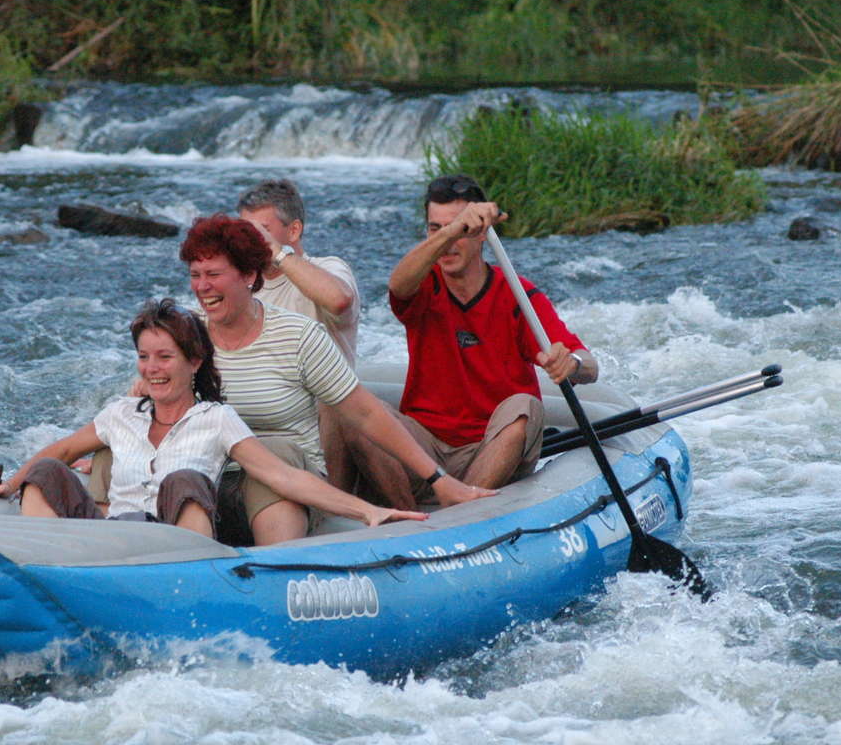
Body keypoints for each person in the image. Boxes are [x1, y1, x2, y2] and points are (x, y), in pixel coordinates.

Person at [0, 298, 426, 536]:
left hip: (174, 548)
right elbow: (63, 450)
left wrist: (367, 511)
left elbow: (282, 476)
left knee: (184, 480)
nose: (152, 369)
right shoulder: (121, 413)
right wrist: (6, 486)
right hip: (108, 545)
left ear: (193, 362)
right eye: (144, 357)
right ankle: (48, 572)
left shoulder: (217, 418)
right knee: (47, 472)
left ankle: (188, 581)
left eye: (165, 357)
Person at [180, 214, 493, 545]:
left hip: (293, 483)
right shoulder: (184, 336)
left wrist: (438, 479)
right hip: (213, 481)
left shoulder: (297, 335)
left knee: (275, 449)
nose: (202, 287)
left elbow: (365, 413)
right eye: (195, 275)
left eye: (213, 275)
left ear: (248, 275)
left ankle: (280, 571)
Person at [380, 173, 598, 506]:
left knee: (525, 405)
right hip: (424, 452)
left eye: (460, 228)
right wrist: (454, 228)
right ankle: (402, 522)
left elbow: (590, 366)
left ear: (482, 232)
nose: (448, 242)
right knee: (352, 409)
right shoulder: (423, 284)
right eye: (435, 229)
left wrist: (573, 363)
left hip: (491, 449)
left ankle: (458, 513)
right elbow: (397, 285)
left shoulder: (516, 292)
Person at [237, 178, 361, 488]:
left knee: (331, 402)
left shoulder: (330, 267)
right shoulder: (236, 286)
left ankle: (337, 504)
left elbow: (338, 299)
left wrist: (277, 253)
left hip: (318, 422)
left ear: (293, 231)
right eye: (244, 232)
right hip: (258, 414)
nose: (250, 241)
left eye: (260, 231)